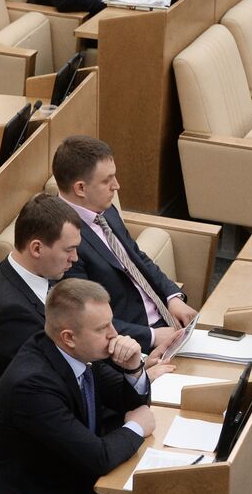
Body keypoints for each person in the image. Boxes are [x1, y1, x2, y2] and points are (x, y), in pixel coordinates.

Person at [0, 279, 163, 494]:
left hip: (59, 477)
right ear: (69, 337)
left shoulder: (76, 353)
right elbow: (99, 458)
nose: (114, 335)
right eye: (102, 328)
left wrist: (134, 367)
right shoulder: (32, 385)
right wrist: (136, 427)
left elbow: (129, 400)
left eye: (111, 323)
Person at [53, 136, 197, 354]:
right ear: (81, 188)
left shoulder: (104, 209)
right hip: (136, 345)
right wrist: (152, 336)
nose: (116, 186)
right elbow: (87, 320)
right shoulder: (64, 241)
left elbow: (137, 258)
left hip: (168, 321)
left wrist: (172, 297)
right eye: (107, 180)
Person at [0, 194, 82, 387]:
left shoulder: (48, 272)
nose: (74, 258)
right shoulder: (10, 314)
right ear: (37, 249)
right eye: (68, 250)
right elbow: (49, 384)